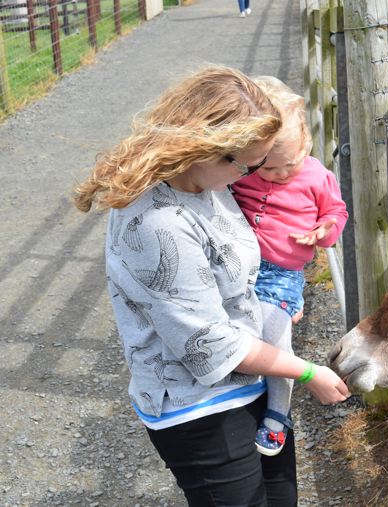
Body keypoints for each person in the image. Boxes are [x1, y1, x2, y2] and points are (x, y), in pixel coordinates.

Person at [72, 66, 351, 506]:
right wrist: (309, 372)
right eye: (248, 164)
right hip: (199, 407)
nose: (252, 175)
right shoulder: (158, 224)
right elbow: (211, 346)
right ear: (208, 147)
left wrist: (272, 298)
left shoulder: (207, 181)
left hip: (254, 381)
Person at [231, 75, 348, 457]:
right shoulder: (242, 175)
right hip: (241, 264)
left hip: (282, 272)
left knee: (275, 334)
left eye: (289, 165)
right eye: (269, 169)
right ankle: (242, 395)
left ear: (307, 146)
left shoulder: (316, 175)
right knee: (237, 327)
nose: (281, 175)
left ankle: (278, 413)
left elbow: (335, 212)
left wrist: (324, 230)